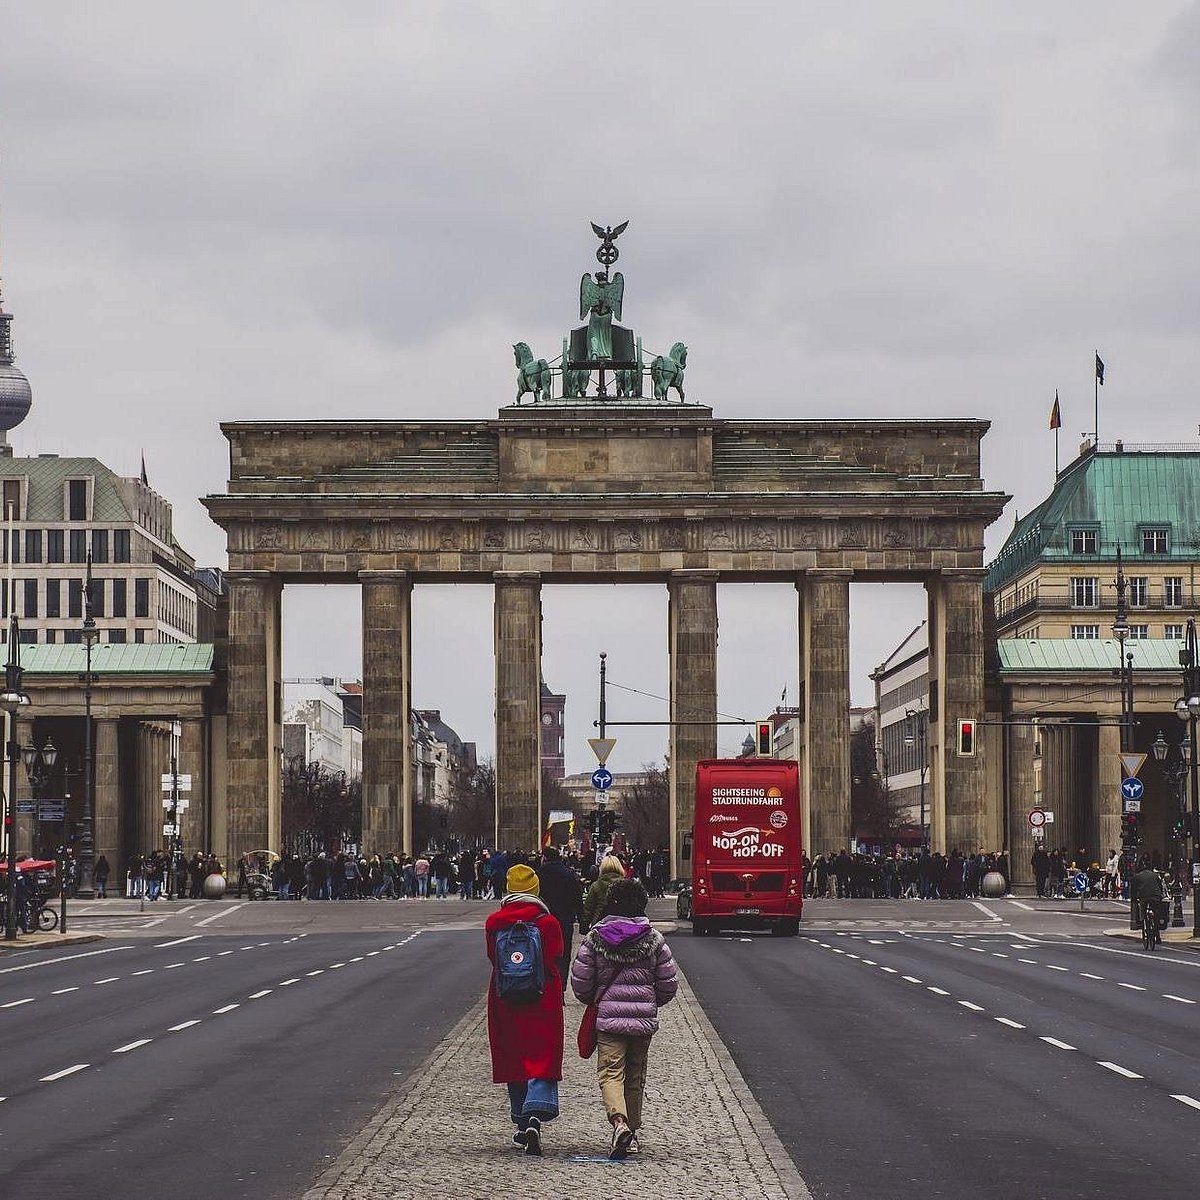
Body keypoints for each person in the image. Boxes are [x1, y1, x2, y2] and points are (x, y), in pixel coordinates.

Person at [570, 877, 678, 1159]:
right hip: (642, 1020)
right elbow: (668, 983)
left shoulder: (595, 938)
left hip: (608, 1020)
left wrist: (594, 1000)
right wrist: (650, 1002)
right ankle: (632, 1132)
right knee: (635, 1076)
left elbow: (581, 982)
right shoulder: (654, 940)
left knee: (610, 1073)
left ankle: (619, 1123)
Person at [485, 863, 564, 1156]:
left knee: (514, 1054)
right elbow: (555, 954)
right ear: (535, 890)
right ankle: (536, 1113)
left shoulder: (494, 923)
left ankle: (520, 1119)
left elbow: (494, 958)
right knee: (541, 1053)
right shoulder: (548, 923)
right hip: (542, 996)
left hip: (506, 997)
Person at [537, 846, 584, 993]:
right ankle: (561, 985)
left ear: (545, 857)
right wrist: (582, 920)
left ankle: (546, 984)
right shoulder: (569, 875)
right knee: (563, 954)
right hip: (565, 919)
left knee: (544, 952)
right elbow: (578, 899)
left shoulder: (539, 875)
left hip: (543, 919)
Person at [582, 854, 627, 931]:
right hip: (622, 924)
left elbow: (588, 909)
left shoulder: (596, 885)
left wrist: (584, 927)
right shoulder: (626, 885)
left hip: (600, 923)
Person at [1129, 858, 1167, 934]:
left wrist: (1133, 899)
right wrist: (1162, 896)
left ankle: (1143, 922)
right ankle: (1157, 930)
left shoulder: (1137, 876)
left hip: (1144, 896)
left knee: (1143, 910)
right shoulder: (1155, 875)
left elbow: (1133, 890)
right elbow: (1160, 886)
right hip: (1156, 896)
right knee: (1156, 911)